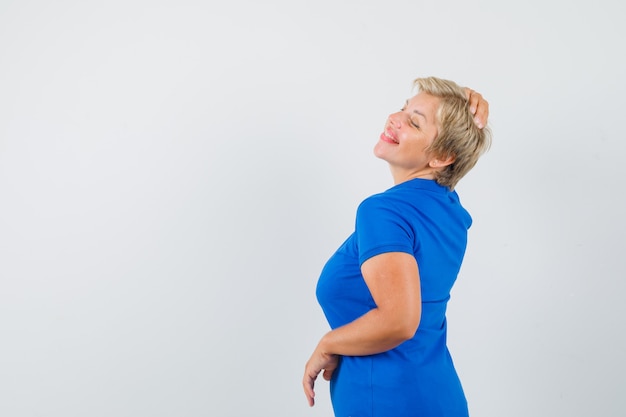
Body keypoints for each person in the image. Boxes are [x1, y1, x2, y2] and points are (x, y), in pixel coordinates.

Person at [302, 76, 492, 417]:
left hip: (389, 401)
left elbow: (399, 322)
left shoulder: (383, 210)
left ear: (442, 156)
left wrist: (327, 344)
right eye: (404, 108)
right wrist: (459, 106)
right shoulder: (449, 209)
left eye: (414, 121)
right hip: (437, 397)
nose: (396, 118)